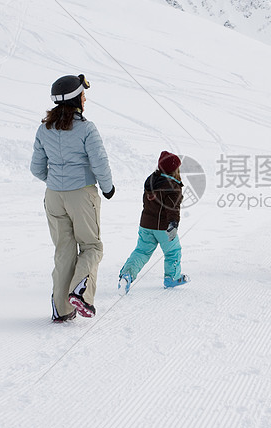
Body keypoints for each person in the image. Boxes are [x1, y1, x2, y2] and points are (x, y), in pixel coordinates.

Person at [30, 74, 115, 323]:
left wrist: (56, 181)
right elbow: (100, 161)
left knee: (64, 251)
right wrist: (108, 188)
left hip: (54, 197)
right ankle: (81, 291)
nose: (85, 98)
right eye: (83, 94)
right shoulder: (87, 128)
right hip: (81, 195)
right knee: (91, 246)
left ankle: (61, 308)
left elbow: (37, 169)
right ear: (75, 99)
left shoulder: (43, 129)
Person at [118, 151, 189, 293]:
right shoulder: (173, 186)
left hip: (145, 225)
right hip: (163, 227)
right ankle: (172, 278)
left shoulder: (151, 180)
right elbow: (172, 208)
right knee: (173, 251)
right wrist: (173, 224)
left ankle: (127, 275)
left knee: (141, 251)